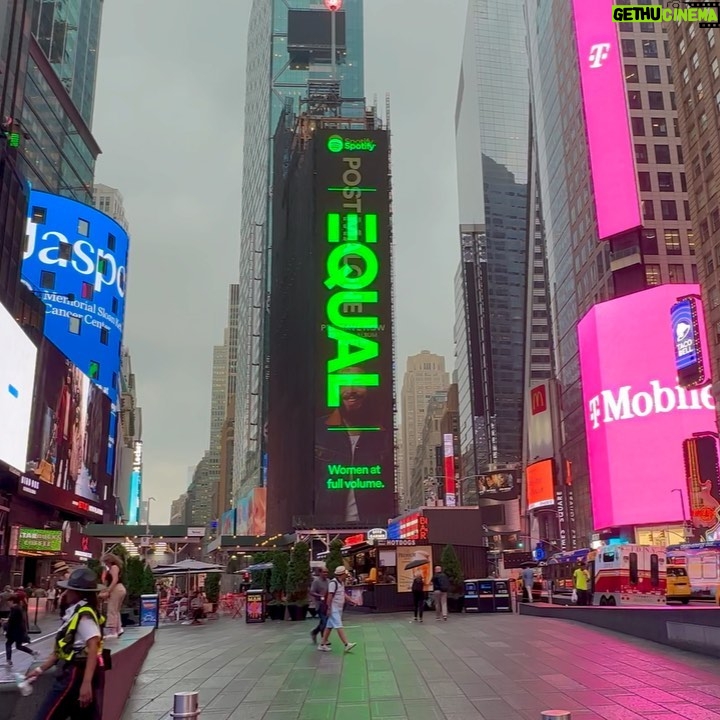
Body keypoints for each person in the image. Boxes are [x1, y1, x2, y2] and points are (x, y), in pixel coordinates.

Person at [313, 366, 393, 523]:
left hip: (373, 527)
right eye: (343, 384)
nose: (350, 390)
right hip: (325, 528)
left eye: (358, 383)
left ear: (369, 389)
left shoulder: (383, 433)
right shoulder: (318, 429)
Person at [26, 567, 106, 720]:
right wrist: (39, 670)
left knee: (46, 715)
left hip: (75, 673)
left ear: (77, 593)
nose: (65, 594)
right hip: (73, 670)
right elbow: (61, 649)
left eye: (68, 590)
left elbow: (93, 646)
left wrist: (86, 683)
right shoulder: (76, 613)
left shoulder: (84, 615)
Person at [318, 567, 356, 653]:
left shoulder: (341, 583)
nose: (346, 575)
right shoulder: (333, 583)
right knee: (339, 625)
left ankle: (322, 644)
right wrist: (329, 608)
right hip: (333, 608)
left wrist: (351, 600)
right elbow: (330, 597)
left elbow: (343, 594)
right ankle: (346, 644)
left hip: (338, 608)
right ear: (342, 574)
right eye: (345, 573)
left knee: (329, 626)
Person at [5, 595, 38, 667]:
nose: (8, 604)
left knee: (8, 644)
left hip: (15, 631)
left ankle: (9, 661)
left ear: (12, 601)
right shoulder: (17, 608)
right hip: (19, 631)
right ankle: (33, 652)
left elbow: (12, 621)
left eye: (8, 603)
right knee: (18, 646)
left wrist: (6, 628)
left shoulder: (15, 609)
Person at [99, 553, 125, 638]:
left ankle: (113, 632)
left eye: (106, 562)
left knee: (111, 609)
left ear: (109, 561)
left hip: (116, 588)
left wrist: (108, 591)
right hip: (119, 588)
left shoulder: (113, 567)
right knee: (116, 610)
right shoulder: (112, 568)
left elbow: (115, 580)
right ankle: (119, 628)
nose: (105, 564)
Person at [309, 567, 330, 645]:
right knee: (325, 622)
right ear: (320, 573)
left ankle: (314, 632)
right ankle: (324, 639)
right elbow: (311, 592)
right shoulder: (316, 581)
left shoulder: (328, 581)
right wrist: (320, 596)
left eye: (327, 572)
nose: (326, 574)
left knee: (323, 622)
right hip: (319, 604)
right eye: (324, 572)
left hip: (327, 605)